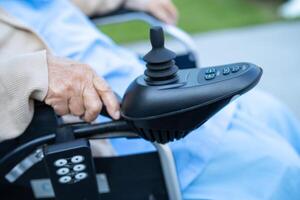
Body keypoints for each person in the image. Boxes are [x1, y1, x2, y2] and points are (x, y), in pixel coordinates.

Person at [0, 0, 300, 199]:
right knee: (274, 165)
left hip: (124, 72)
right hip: (108, 119)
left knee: (272, 112)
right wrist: (31, 74)